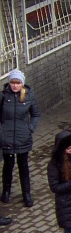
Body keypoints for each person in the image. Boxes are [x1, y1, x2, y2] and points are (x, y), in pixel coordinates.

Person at [1, 69, 41, 208]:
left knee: (23, 166)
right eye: (12, 82)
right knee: (8, 166)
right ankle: (6, 191)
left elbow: (36, 114)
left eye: (18, 83)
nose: (15, 86)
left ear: (22, 84)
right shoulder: (3, 97)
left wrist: (29, 129)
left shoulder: (28, 96)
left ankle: (26, 194)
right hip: (6, 138)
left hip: (22, 138)